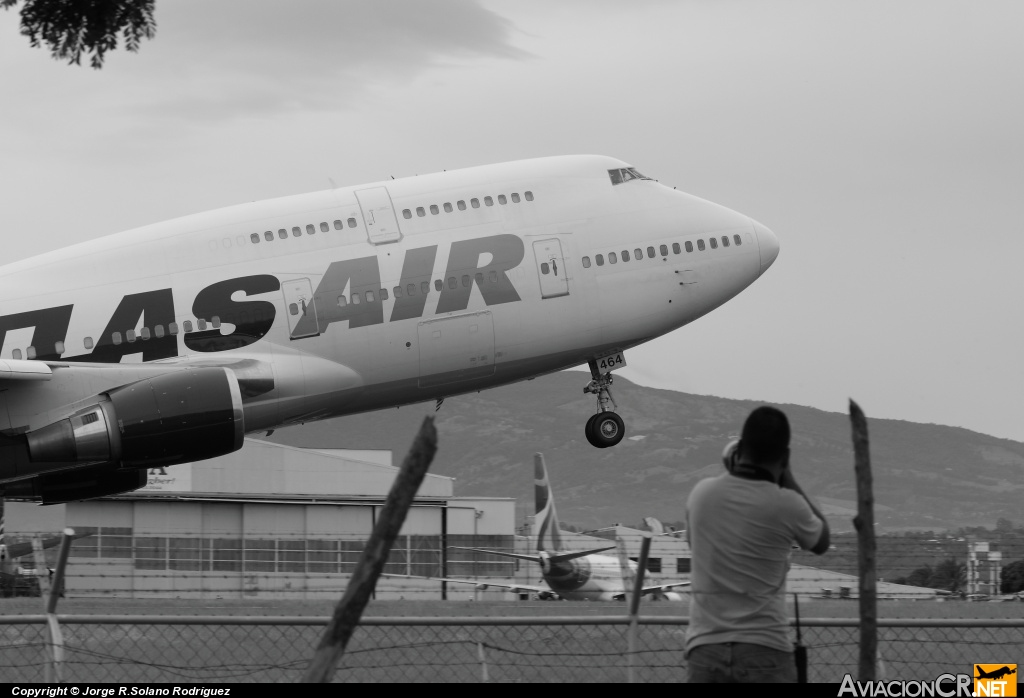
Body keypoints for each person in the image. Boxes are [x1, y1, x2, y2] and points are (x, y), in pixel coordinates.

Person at [685, 406, 830, 683]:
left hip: (706, 647)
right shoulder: (787, 504)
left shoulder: (701, 494)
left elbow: (697, 548)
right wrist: (788, 478)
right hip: (765, 647)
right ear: (784, 457)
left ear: (740, 448)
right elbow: (822, 541)